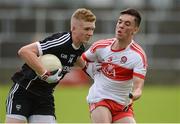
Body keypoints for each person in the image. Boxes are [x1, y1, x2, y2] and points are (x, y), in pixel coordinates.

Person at [5, 8, 96, 123]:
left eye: (92, 29)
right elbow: (24, 51)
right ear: (73, 28)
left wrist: (98, 73)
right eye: (87, 29)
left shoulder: (79, 48)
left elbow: (80, 61)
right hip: (24, 91)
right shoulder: (61, 41)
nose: (90, 33)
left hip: (45, 97)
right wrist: (43, 72)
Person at [82, 8, 148, 123]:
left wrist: (134, 94)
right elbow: (79, 60)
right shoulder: (100, 46)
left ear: (135, 29)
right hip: (100, 98)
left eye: (127, 24)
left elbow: (138, 88)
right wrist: (87, 67)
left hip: (122, 105)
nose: (121, 26)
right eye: (120, 22)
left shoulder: (138, 56)